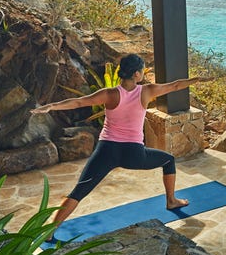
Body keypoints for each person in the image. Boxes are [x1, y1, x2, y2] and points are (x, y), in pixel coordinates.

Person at [30, 53, 212, 235]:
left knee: (79, 191)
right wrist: (197, 79)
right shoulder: (146, 91)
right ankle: (171, 200)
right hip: (133, 154)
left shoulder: (109, 94)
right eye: (141, 71)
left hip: (106, 151)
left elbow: (78, 102)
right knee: (168, 160)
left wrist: (51, 107)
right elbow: (175, 86)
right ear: (136, 74)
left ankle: (50, 230)